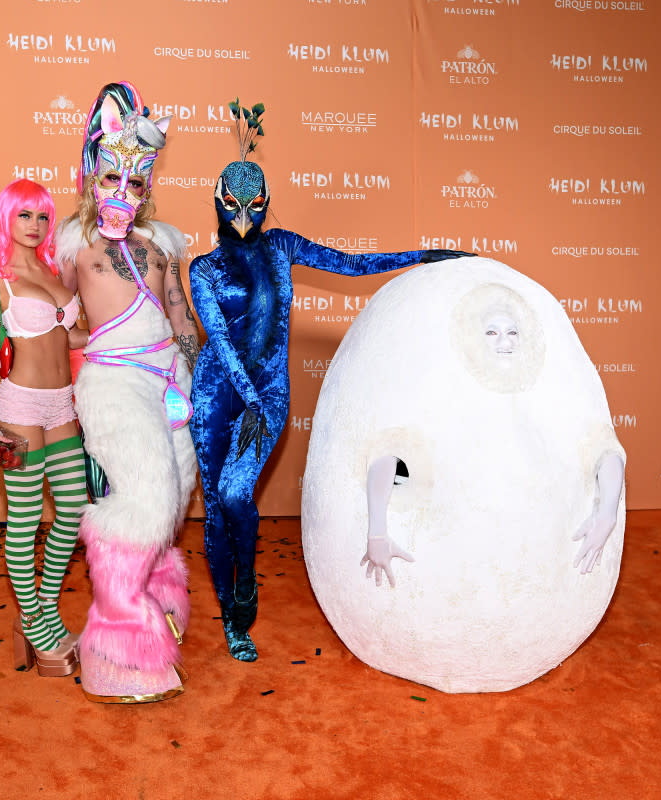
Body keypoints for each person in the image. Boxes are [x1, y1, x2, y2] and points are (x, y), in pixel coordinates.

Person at [188, 100, 473, 662]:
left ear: (266, 204)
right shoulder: (202, 270)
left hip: (267, 397)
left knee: (235, 492)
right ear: (218, 204)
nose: (244, 215)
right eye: (233, 205)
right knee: (218, 510)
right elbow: (217, 339)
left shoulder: (283, 247)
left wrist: (424, 256)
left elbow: (353, 264)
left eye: (254, 204)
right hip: (215, 396)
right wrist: (240, 398)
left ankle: (247, 588)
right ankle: (231, 618)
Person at [54, 81, 200, 703]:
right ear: (92, 173)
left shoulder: (163, 244)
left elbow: (179, 314)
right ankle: (117, 644)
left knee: (177, 491)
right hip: (113, 381)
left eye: (134, 183)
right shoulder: (70, 242)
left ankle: (156, 596)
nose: (123, 192)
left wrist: (205, 369)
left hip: (171, 379)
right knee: (145, 495)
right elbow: (54, 310)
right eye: (112, 178)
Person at [0, 178, 89, 677]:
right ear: (5, 218)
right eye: (25, 215)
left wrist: (122, 332)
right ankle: (36, 628)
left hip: (64, 406)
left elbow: (68, 334)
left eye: (42, 216)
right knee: (24, 519)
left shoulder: (54, 268)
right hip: (18, 408)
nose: (36, 226)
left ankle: (47, 614)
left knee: (74, 508)